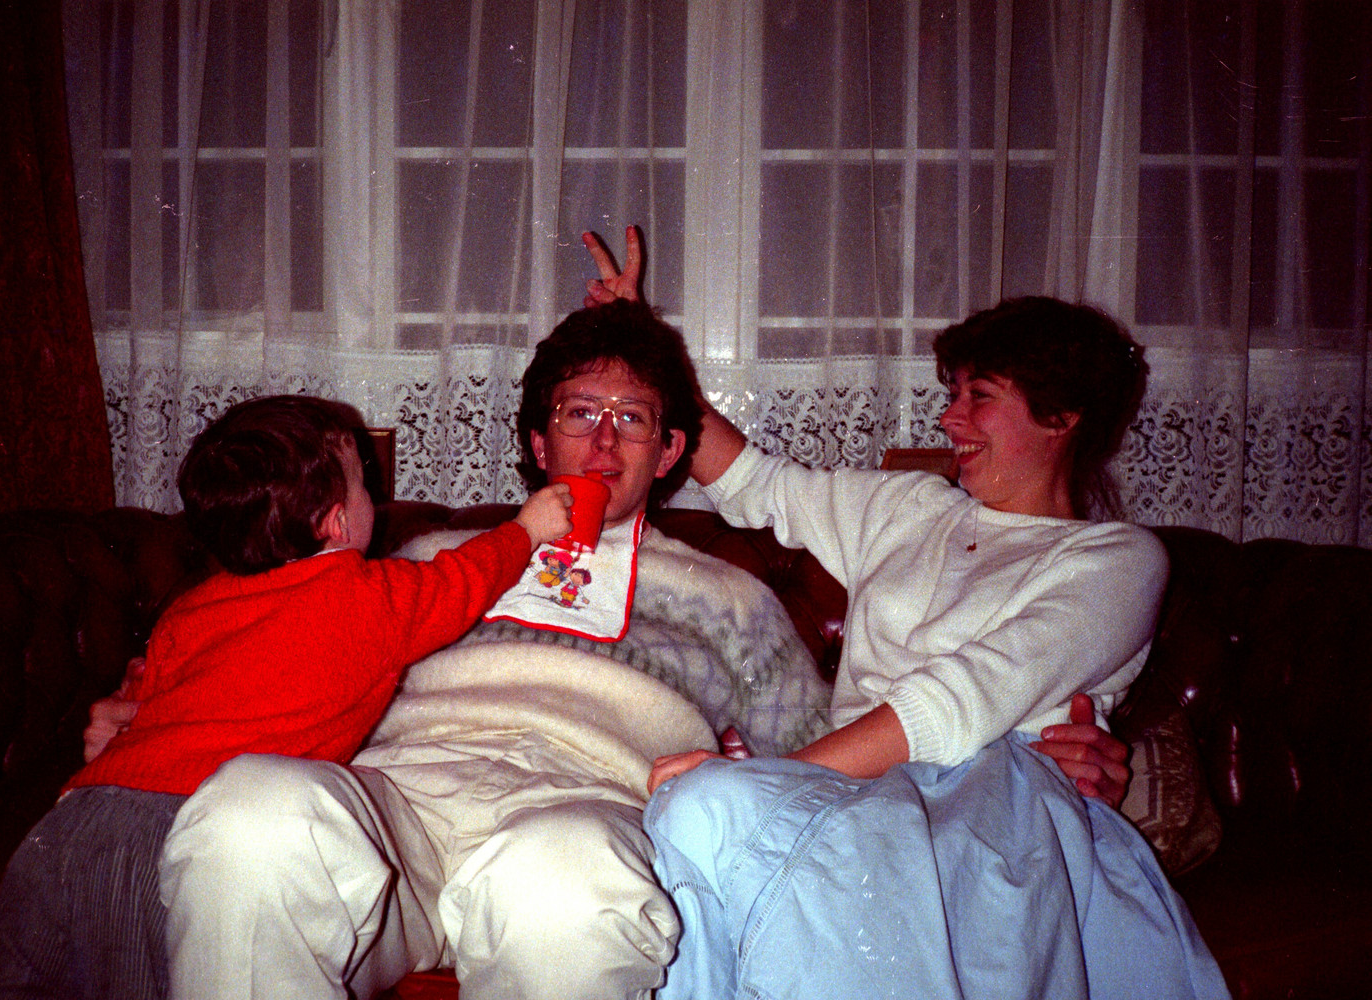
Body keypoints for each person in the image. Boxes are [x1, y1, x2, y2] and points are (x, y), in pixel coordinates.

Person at [84, 299, 1135, 1000]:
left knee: (565, 876)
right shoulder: (423, 560)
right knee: (253, 808)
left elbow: (818, 779)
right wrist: (148, 712)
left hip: (582, 815)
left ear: (670, 452)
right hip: (394, 813)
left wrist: (1086, 763)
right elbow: (250, 649)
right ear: (535, 442)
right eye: (578, 413)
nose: (601, 440)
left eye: (632, 419)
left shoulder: (732, 600)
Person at [616, 289, 1230, 996]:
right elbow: (753, 481)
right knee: (693, 808)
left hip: (995, 806)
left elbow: (957, 701)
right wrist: (642, 342)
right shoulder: (910, 506)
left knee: (709, 804)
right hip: (857, 796)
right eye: (952, 393)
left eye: (980, 396)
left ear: (1062, 417)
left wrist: (777, 781)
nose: (949, 417)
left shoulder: (1117, 559)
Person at [0, 394, 572, 1000]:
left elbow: (145, 696)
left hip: (73, 821)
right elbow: (462, 580)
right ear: (336, 521)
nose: (374, 500)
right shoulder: (367, 596)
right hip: (179, 826)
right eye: (363, 485)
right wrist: (526, 530)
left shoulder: (194, 605)